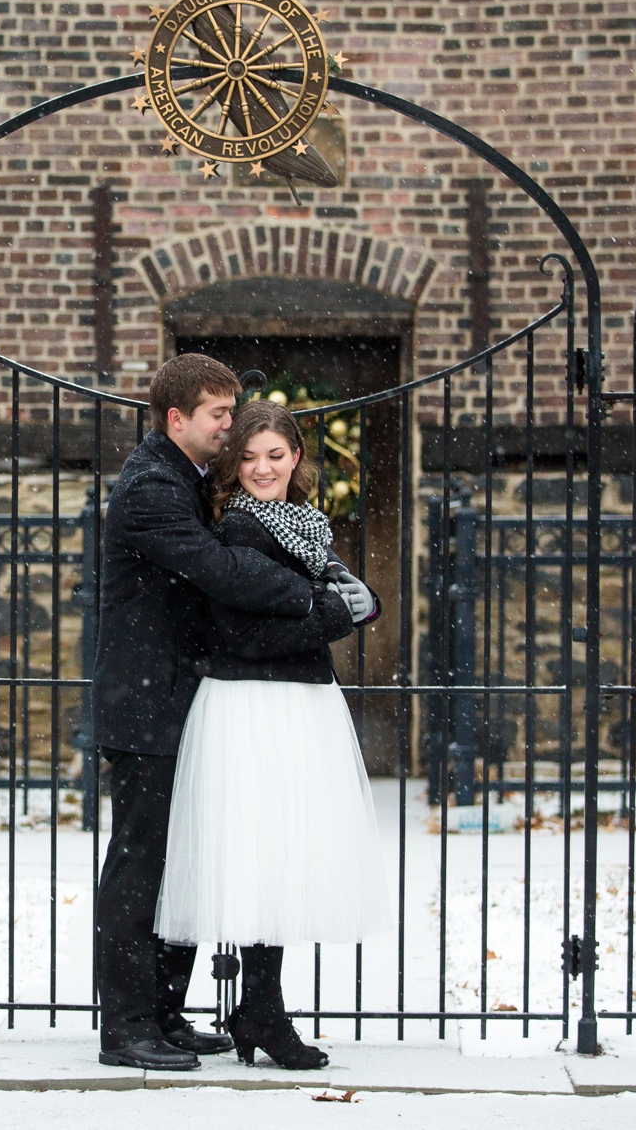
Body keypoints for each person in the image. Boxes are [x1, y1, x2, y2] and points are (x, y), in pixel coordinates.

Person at [91, 354, 349, 1071]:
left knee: (176, 863)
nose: (232, 428)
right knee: (141, 866)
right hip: (147, 704)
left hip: (178, 698)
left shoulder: (187, 479)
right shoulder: (152, 488)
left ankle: (167, 1015)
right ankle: (128, 1028)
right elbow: (220, 570)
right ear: (178, 419)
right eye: (221, 415)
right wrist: (321, 596)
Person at [154, 397, 389, 1070]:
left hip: (297, 705)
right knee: (254, 855)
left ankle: (259, 1007)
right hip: (251, 706)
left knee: (280, 857)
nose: (262, 469)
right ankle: (247, 1011)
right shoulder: (240, 532)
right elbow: (239, 634)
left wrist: (330, 609)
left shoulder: (307, 530)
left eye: (276, 456)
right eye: (249, 458)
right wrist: (329, 618)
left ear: (297, 461)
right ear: (234, 466)